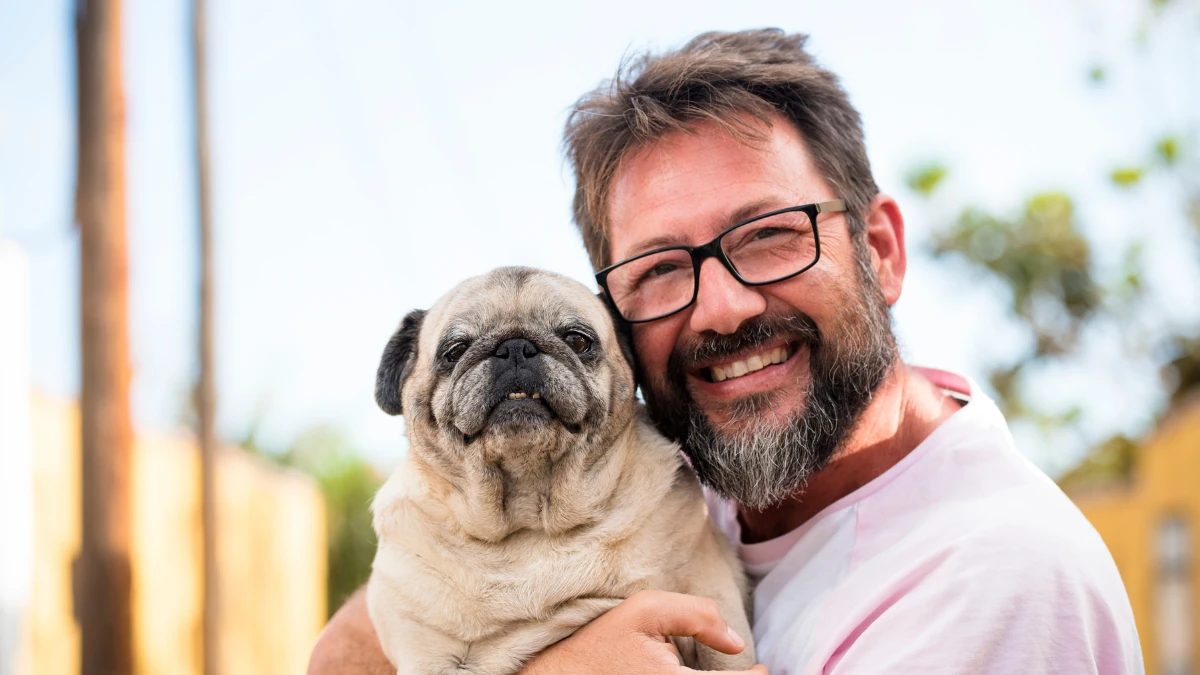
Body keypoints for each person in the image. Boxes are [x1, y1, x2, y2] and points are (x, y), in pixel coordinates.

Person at [309, 29, 1143, 675]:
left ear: (881, 250)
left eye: (773, 236)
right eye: (661, 268)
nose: (724, 305)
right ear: (623, 323)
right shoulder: (672, 471)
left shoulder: (993, 580)